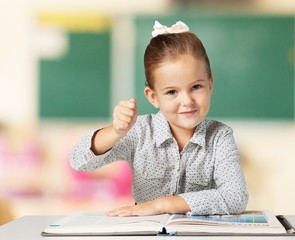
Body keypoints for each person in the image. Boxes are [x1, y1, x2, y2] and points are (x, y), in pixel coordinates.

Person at [70, 20, 248, 217]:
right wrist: (116, 131)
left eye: (196, 87)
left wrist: (162, 205)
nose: (187, 101)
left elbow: (235, 198)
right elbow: (79, 161)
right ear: (153, 96)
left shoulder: (220, 137)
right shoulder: (139, 131)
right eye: (172, 92)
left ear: (210, 84)